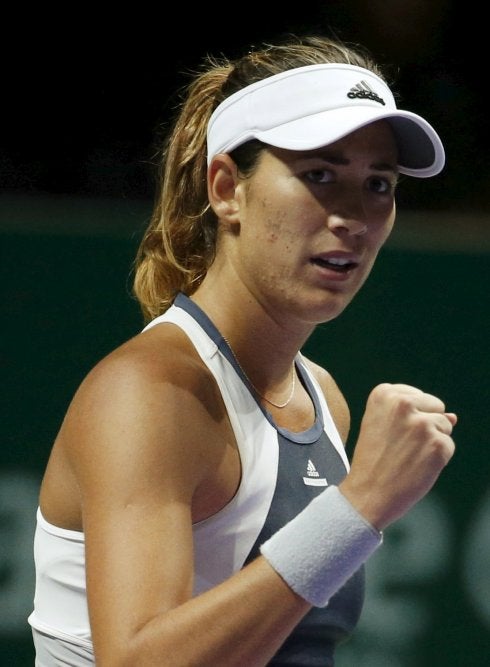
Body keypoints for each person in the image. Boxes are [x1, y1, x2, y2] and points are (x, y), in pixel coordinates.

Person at [28, 34, 456, 666]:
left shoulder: (322, 400)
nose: (354, 217)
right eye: (319, 175)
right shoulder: (150, 394)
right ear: (227, 188)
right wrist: (359, 505)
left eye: (378, 184)